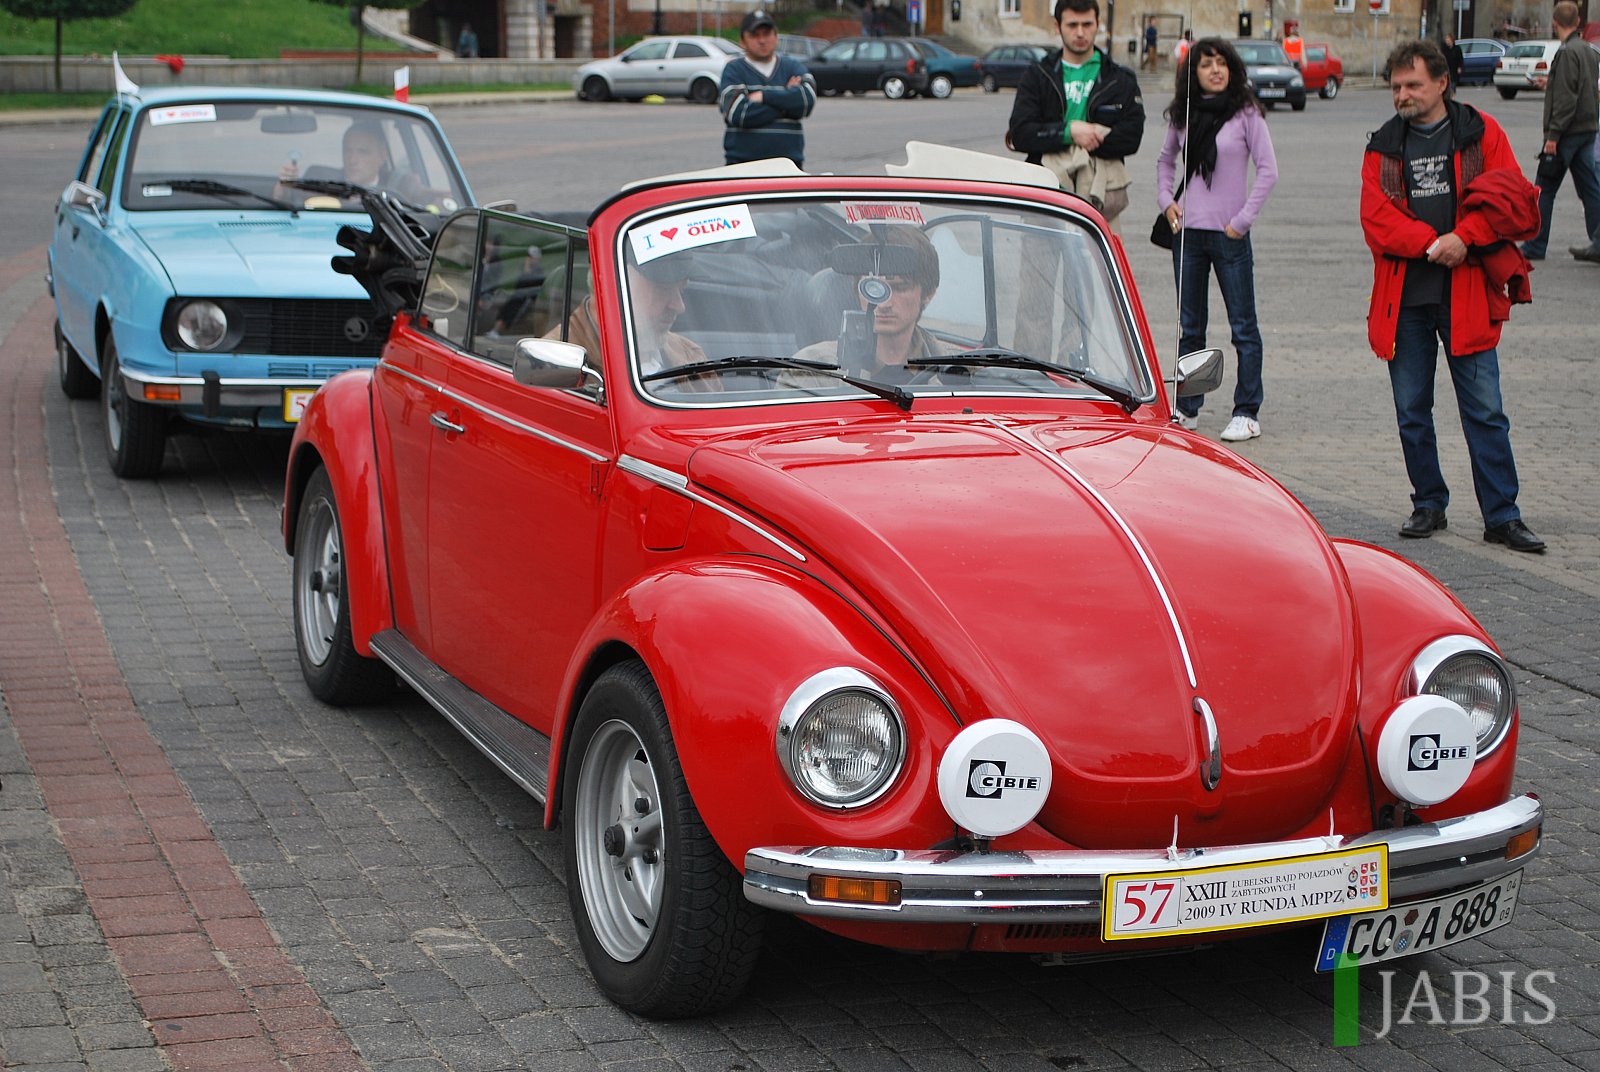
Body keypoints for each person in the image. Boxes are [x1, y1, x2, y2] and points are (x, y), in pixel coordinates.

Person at [1360, 40, 1546, 552]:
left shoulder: (1481, 132)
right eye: (1397, 86)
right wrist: (1431, 243)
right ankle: (1429, 503)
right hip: (1405, 299)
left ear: (1442, 83)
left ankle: (1502, 515)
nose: (1403, 94)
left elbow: (1510, 198)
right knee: (1411, 410)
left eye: (1413, 85)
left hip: (1468, 294)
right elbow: (1376, 218)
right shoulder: (1382, 145)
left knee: (1485, 411)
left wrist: (1465, 238)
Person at [1156, 37, 1277, 442]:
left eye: (1221, 63)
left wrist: (1242, 220)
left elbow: (1268, 170)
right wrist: (1166, 202)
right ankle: (1188, 408)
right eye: (1206, 64)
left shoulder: (1246, 113)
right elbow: (1165, 161)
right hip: (1188, 234)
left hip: (1230, 236)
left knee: (1243, 327)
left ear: (1232, 69)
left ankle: (1247, 411)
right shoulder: (1184, 113)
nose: (1215, 70)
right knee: (1190, 328)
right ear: (1194, 72)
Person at [1007, 0, 1145, 231]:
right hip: (1046, 196)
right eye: (1072, 25)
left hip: (1100, 200)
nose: (1080, 32)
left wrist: (1088, 137)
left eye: (1087, 24)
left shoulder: (1120, 79)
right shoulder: (1037, 76)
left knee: (1098, 256)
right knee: (1041, 256)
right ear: (1057, 26)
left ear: (1098, 24)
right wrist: (1069, 132)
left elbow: (1131, 138)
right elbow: (1021, 134)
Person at [792, 226, 942, 380]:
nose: (882, 304)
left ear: (928, 294)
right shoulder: (811, 372)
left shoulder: (953, 368)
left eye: (899, 288)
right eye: (872, 288)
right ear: (857, 290)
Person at [1520, 1, 1600, 263]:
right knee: (1591, 189)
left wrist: (1553, 136)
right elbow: (1583, 88)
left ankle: (1535, 245)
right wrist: (1550, 83)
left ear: (1554, 23)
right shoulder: (1588, 50)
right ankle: (1599, 242)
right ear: (1577, 22)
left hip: (1567, 133)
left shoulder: (1566, 53)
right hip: (1587, 129)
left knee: (1544, 188)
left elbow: (1567, 99)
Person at [719, 10, 817, 168]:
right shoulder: (734, 70)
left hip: (789, 165)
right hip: (742, 165)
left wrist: (764, 96)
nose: (762, 40)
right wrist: (787, 101)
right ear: (742, 41)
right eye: (754, 35)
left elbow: (806, 101)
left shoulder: (792, 67)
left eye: (767, 34)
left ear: (776, 37)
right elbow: (739, 113)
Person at [275, 121, 393, 205]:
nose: (352, 160)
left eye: (363, 152)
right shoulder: (319, 186)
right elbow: (289, 208)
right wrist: (282, 189)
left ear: (382, 156)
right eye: (347, 151)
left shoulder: (394, 194)